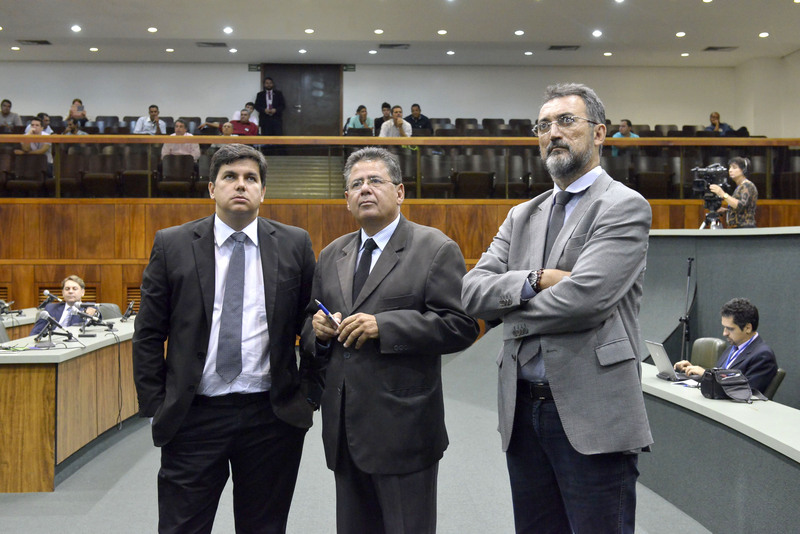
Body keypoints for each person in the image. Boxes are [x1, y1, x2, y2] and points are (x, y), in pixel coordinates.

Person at [461, 83, 653, 534]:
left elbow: (585, 300)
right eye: (543, 125)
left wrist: (507, 313)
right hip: (522, 411)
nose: (553, 133)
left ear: (599, 132)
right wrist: (534, 279)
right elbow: (470, 292)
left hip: (593, 411)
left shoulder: (624, 206)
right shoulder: (521, 215)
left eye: (566, 121)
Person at [133, 143, 320, 533]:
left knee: (263, 527)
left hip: (271, 416)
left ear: (263, 191)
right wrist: (156, 403)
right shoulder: (172, 244)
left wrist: (309, 394)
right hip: (194, 414)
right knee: (182, 526)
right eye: (229, 177)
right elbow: (149, 331)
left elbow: (310, 322)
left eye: (250, 178)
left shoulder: (294, 243)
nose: (240, 185)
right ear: (211, 188)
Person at [309, 146, 479, 533]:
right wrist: (317, 330)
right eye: (356, 184)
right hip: (345, 431)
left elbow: (462, 324)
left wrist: (385, 327)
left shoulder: (434, 248)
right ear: (347, 199)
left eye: (375, 180)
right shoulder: (332, 254)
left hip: (404, 431)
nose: (365, 189)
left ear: (400, 192)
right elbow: (311, 318)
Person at [674, 298, 777, 392]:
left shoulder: (763, 355)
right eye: (724, 327)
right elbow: (720, 377)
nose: (725, 333)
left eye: (730, 329)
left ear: (747, 328)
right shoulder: (733, 347)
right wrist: (693, 371)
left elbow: (744, 391)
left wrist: (705, 374)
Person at [30, 275, 98, 335]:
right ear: (62, 292)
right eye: (67, 289)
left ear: (82, 292)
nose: (70, 291)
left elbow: (96, 317)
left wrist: (95, 312)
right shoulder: (50, 308)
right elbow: (35, 333)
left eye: (74, 289)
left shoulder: (89, 308)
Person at [709, 156, 758, 228]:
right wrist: (728, 210)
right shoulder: (740, 186)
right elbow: (742, 210)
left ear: (743, 170)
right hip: (738, 228)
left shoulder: (747, 185)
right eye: (730, 168)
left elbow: (741, 206)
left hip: (745, 228)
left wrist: (722, 194)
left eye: (734, 168)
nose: (730, 170)